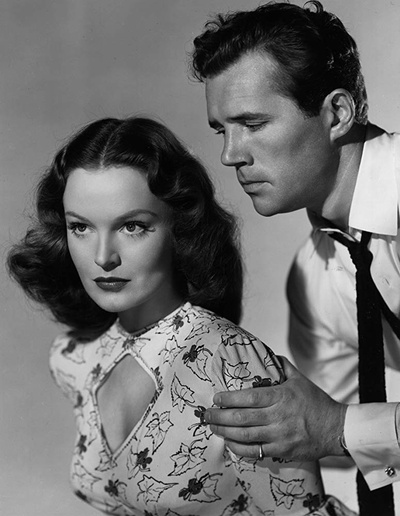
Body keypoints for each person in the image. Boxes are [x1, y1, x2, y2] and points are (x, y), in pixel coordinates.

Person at [7, 116, 354, 515]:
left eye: (132, 226)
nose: (103, 257)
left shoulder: (228, 359)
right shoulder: (74, 359)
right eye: (80, 227)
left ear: (179, 228)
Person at [190, 0, 400, 508]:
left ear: (337, 114)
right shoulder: (314, 275)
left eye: (253, 123)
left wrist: (337, 426)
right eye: (222, 130)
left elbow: (338, 427)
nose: (230, 155)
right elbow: (323, 438)